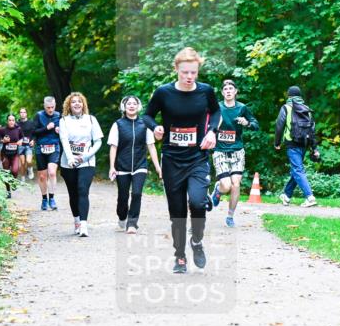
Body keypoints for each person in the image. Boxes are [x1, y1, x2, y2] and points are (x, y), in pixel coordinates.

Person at [142, 47, 221, 274]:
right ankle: (180, 256)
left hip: (197, 157)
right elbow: (148, 115)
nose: (189, 77)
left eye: (193, 73)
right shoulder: (163, 93)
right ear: (176, 69)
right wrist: (155, 127)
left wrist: (212, 132)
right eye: (185, 72)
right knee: (177, 212)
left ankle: (196, 240)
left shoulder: (206, 91)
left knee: (197, 202)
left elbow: (215, 113)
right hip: (172, 159)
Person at [108, 95, 162, 234]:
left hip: (140, 165)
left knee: (137, 193)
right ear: (124, 107)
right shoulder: (118, 124)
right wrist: (112, 166)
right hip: (122, 166)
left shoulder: (145, 124)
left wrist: (158, 167)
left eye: (134, 104)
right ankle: (122, 217)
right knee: (123, 196)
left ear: (138, 107)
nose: (131, 106)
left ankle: (132, 223)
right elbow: (113, 147)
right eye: (128, 104)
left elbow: (151, 146)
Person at [210, 79, 259, 227]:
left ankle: (230, 216)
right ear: (222, 92)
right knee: (227, 186)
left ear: (236, 91)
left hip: (237, 150)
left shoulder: (242, 108)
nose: (229, 91)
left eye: (231, 88)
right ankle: (218, 190)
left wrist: (247, 123)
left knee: (236, 184)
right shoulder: (217, 107)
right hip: (220, 151)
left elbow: (256, 125)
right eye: (226, 89)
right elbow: (206, 123)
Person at [59, 92, 103, 237]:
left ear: (83, 104)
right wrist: (71, 158)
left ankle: (84, 225)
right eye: (73, 102)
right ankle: (77, 221)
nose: (77, 104)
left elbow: (98, 141)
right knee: (73, 193)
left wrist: (86, 156)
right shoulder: (64, 121)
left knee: (82, 189)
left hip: (87, 161)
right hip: (68, 162)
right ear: (69, 106)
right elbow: (64, 140)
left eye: (79, 101)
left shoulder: (91, 119)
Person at [274, 85, 319, 207]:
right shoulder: (306, 109)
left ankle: (310, 197)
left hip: (292, 143)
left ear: (289, 96)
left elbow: (279, 126)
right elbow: (312, 130)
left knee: (297, 170)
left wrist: (277, 143)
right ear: (300, 96)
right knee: (296, 169)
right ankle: (287, 196)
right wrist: (314, 148)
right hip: (304, 144)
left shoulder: (286, 108)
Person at [31, 96, 62, 211]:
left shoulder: (59, 116)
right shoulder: (39, 116)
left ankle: (52, 198)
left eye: (52, 107)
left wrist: (59, 130)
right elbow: (34, 131)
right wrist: (47, 128)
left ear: (55, 106)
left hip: (54, 146)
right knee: (43, 176)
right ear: (44, 106)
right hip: (41, 148)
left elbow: (65, 131)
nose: (50, 110)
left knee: (52, 173)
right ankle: (44, 199)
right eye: (48, 107)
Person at [0, 114, 24, 198]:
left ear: (15, 121)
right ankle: (8, 191)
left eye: (13, 120)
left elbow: (22, 138)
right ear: (7, 121)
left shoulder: (18, 129)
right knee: (6, 173)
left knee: (15, 170)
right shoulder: (3, 130)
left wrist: (20, 141)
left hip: (15, 154)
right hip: (5, 154)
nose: (11, 122)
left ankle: (13, 181)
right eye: (10, 120)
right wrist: (3, 141)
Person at [17, 107, 37, 180]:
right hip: (20, 146)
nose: (22, 114)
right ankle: (22, 178)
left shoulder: (31, 123)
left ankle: (30, 169)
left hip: (29, 145)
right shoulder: (17, 124)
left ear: (26, 113)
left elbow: (35, 133)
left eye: (24, 112)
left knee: (29, 161)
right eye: (21, 112)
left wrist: (33, 140)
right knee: (22, 163)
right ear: (19, 114)